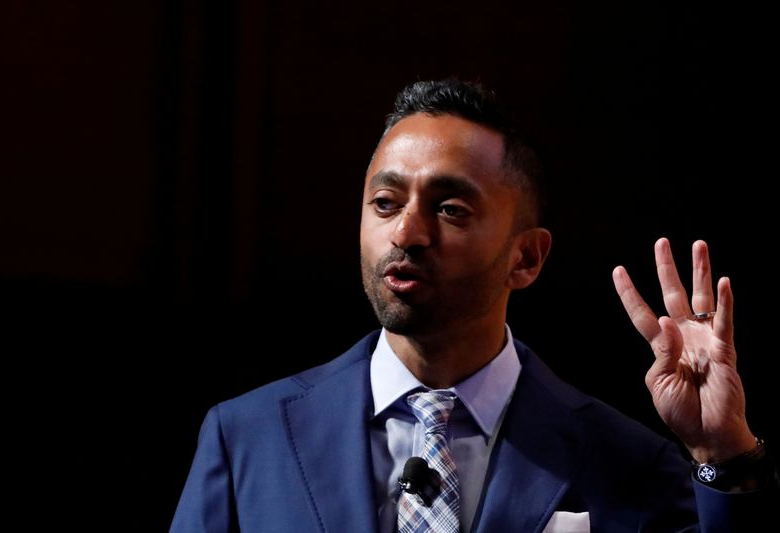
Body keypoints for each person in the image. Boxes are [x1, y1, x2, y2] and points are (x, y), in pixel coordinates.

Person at [170, 79, 777, 532]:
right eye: (385, 203)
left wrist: (724, 452)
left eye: (451, 209)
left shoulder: (626, 460)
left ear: (527, 259)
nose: (407, 233)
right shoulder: (248, 436)